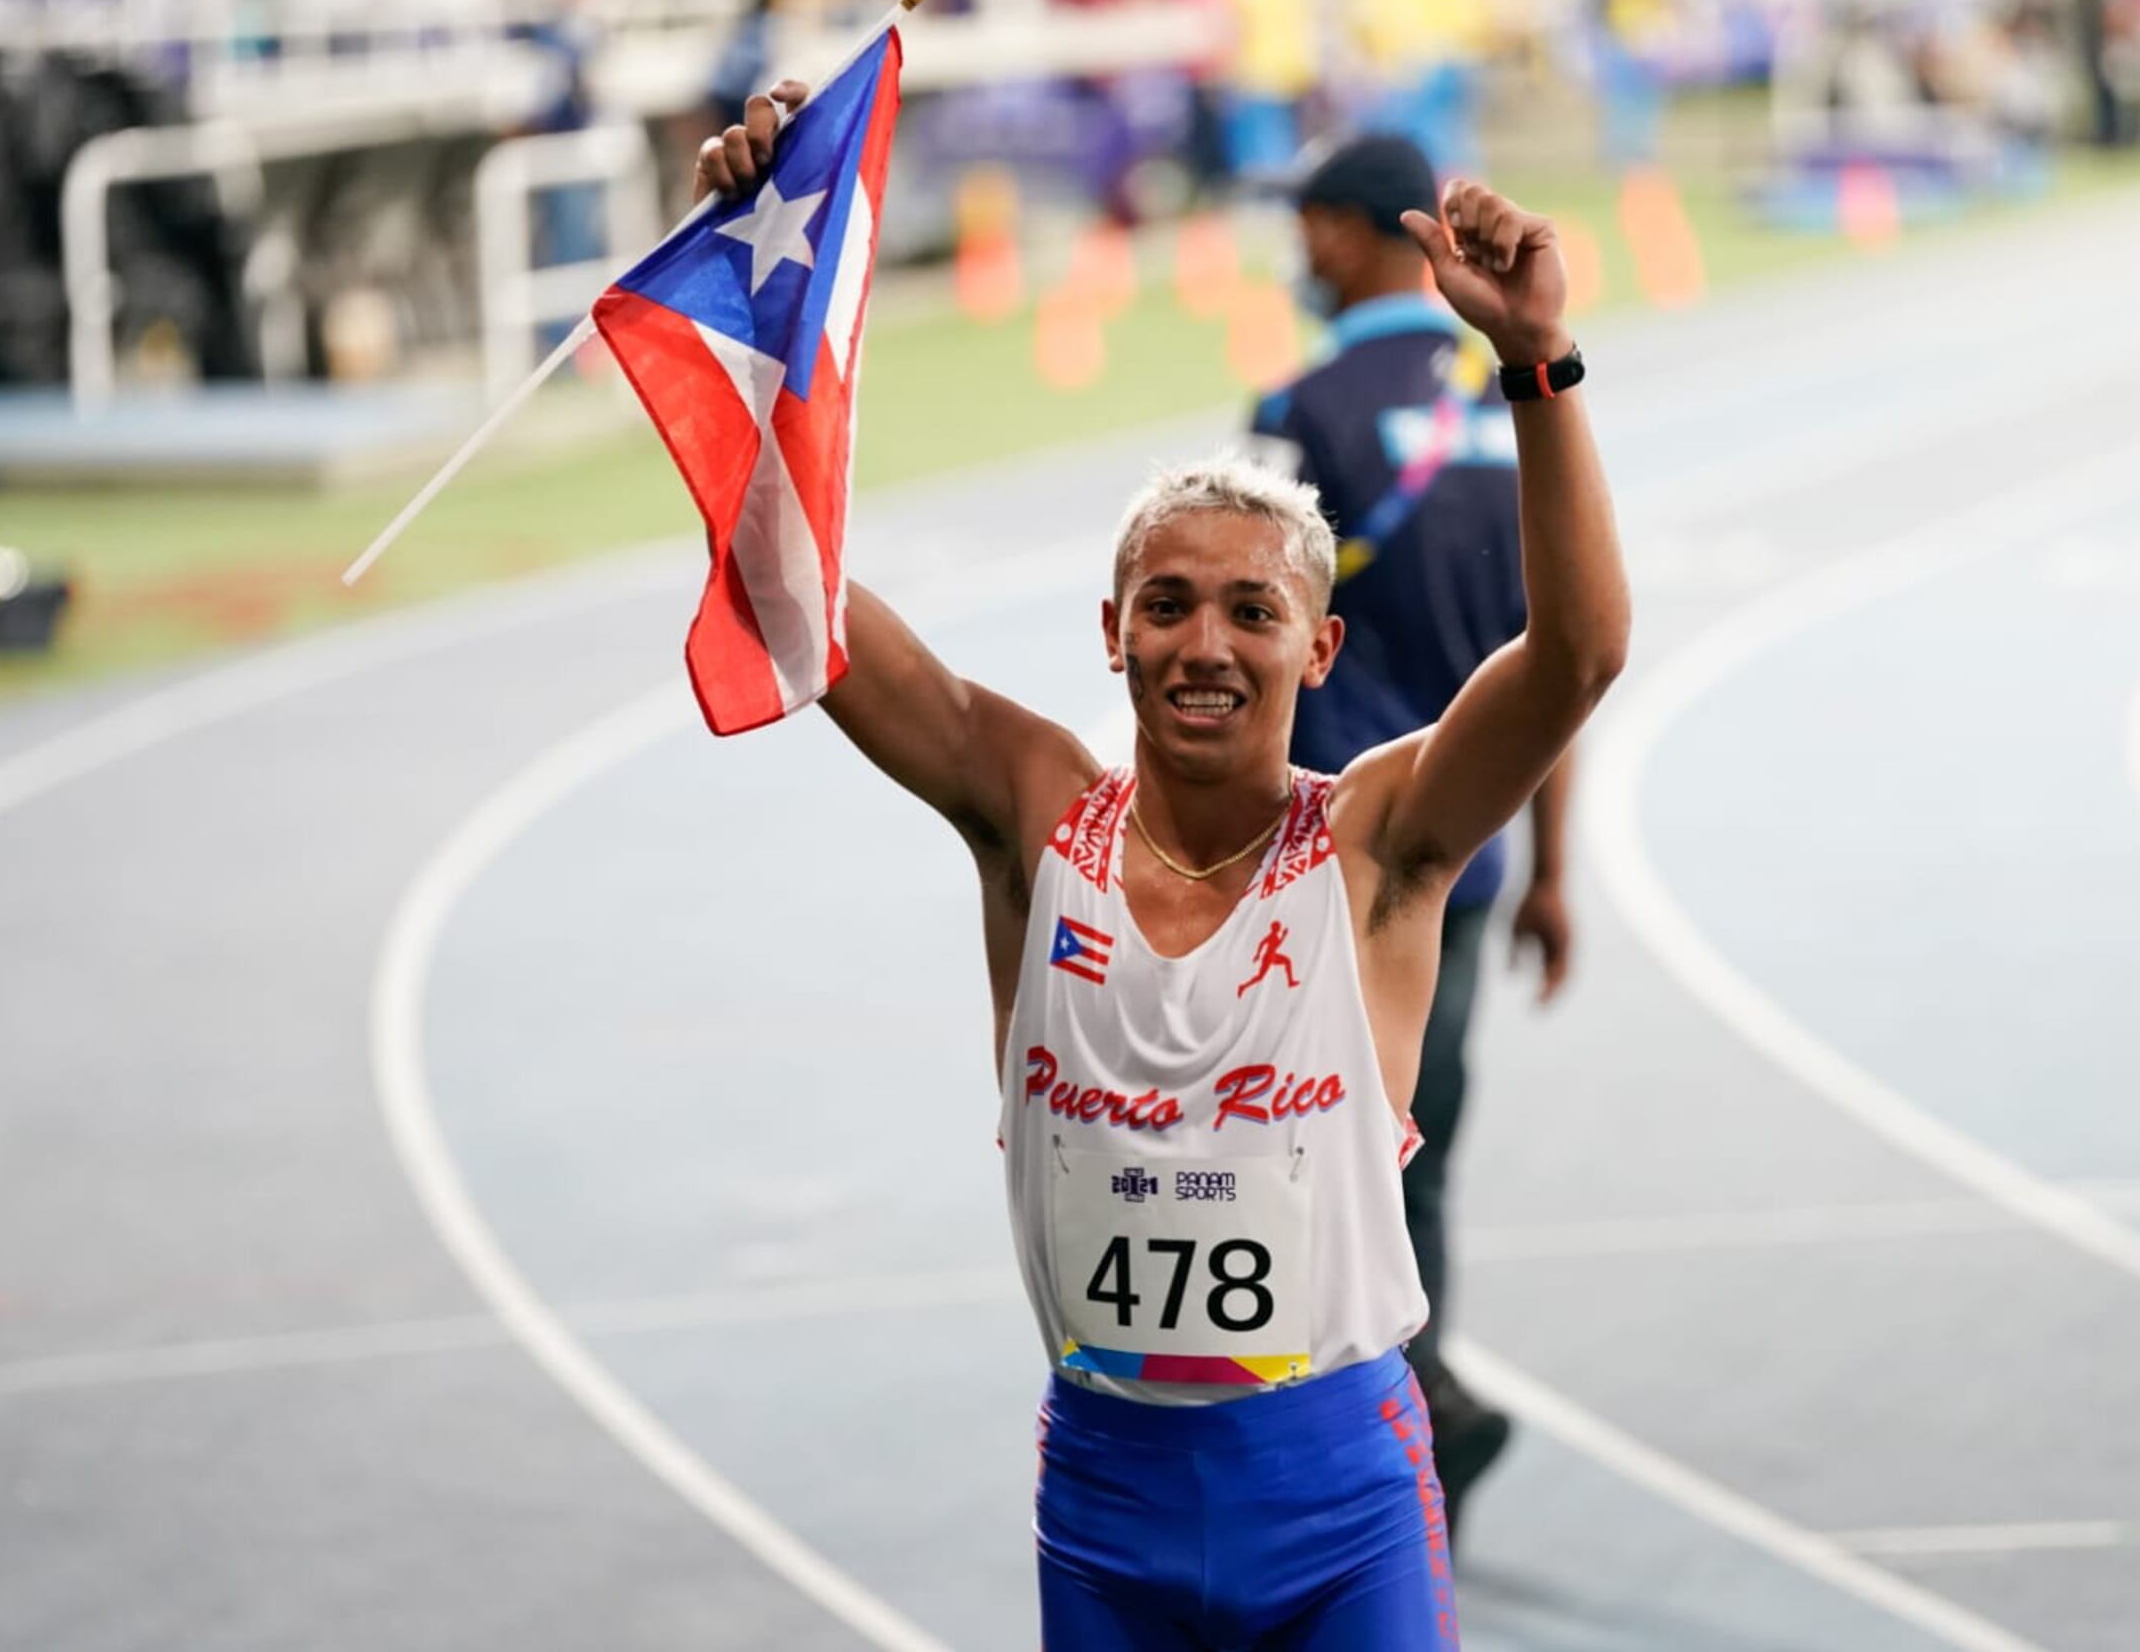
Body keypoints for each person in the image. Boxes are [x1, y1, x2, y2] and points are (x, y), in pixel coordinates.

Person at [696, 84, 1627, 1647]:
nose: (1206, 642)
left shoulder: (1374, 847)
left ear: (1318, 648)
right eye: (1169, 603)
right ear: (1111, 634)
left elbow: (1579, 654)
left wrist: (1538, 361)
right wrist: (746, 273)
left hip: (1340, 1507)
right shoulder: (1029, 809)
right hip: (1110, 1504)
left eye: (1252, 611)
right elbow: (793, 595)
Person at [1247, 129, 1575, 1539]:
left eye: (1305, 224)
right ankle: (1416, 1432)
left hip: (1331, 868)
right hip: (1477, 860)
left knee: (1299, 1167)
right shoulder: (1510, 416)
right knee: (1415, 1153)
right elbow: (1552, 660)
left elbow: (1243, 639)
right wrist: (1553, 868)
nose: (1295, 251)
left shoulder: (1296, 408)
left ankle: (1401, 1426)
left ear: (1341, 231)